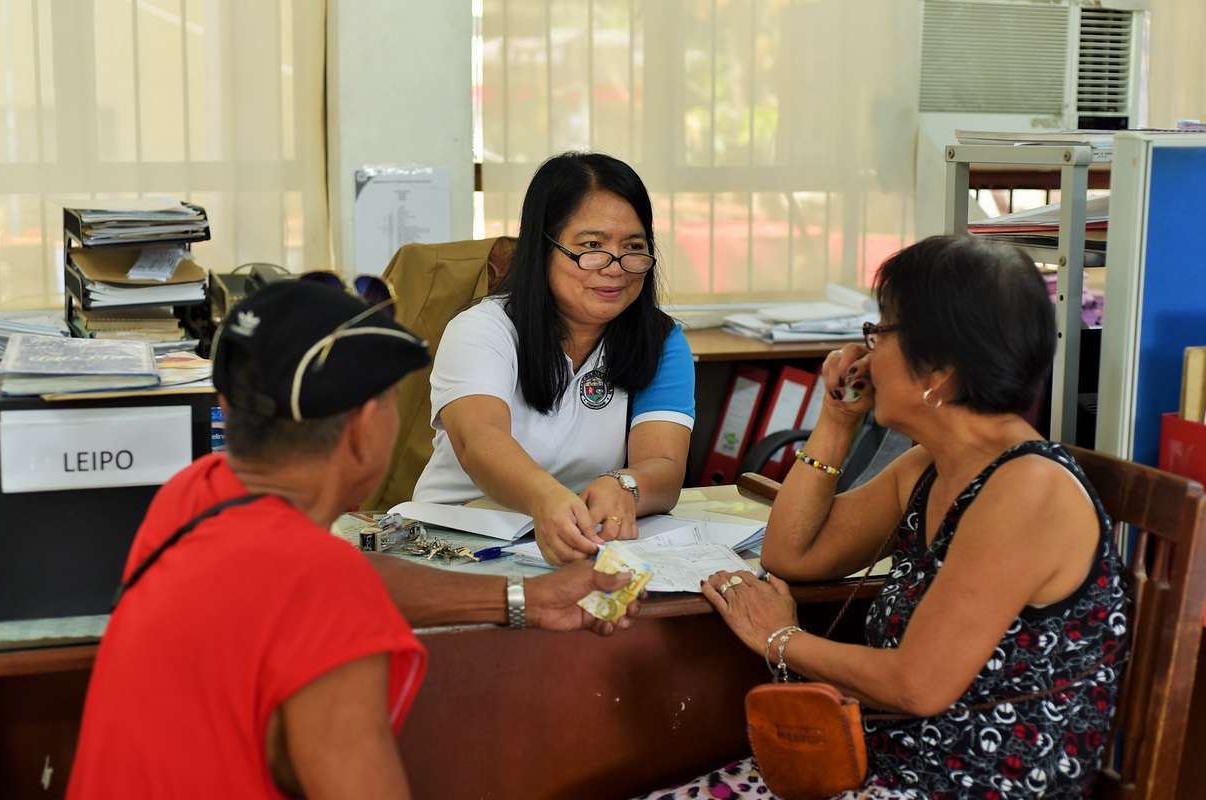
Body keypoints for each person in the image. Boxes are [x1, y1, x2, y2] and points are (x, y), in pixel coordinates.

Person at [69, 280, 642, 799]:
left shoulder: (194, 496)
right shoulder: (321, 592)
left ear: (227, 408)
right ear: (366, 427)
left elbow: (329, 582)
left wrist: (525, 598)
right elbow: (327, 593)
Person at [639, 236, 1130, 799]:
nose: (865, 353)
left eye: (881, 332)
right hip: (886, 765)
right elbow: (791, 555)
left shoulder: (1027, 490)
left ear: (939, 372)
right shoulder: (933, 464)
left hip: (970, 784)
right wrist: (836, 421)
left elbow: (918, 686)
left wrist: (779, 637)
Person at [413, 152, 695, 565]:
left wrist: (626, 485)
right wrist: (548, 499)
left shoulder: (661, 340)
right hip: (458, 538)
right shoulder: (483, 330)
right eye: (592, 246)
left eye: (633, 247)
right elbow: (480, 442)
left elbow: (664, 467)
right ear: (543, 246)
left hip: (583, 544)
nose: (615, 267)